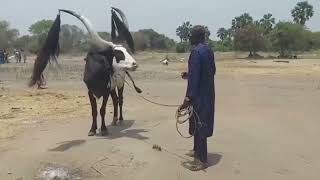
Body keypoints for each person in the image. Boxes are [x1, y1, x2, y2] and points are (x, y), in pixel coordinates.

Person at [179, 25, 216, 171]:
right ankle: (196, 151)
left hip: (198, 96)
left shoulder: (195, 52)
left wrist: (187, 99)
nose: (189, 38)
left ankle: (202, 160)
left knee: (200, 124)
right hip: (208, 94)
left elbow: (195, 81)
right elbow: (211, 71)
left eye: (191, 35)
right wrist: (189, 75)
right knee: (197, 122)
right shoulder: (208, 50)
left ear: (197, 37)